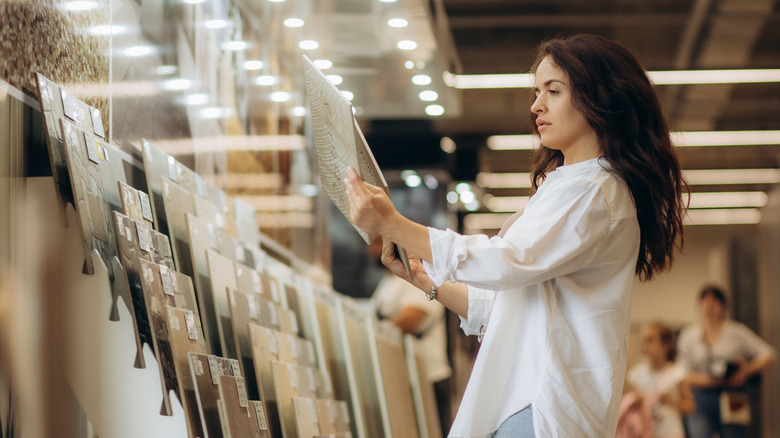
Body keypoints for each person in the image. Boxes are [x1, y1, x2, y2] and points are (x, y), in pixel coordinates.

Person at [345, 33, 687, 437]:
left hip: (542, 407)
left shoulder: (596, 190)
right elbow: (510, 303)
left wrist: (397, 225)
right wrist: (426, 281)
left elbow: (507, 262)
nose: (536, 105)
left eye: (554, 91)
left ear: (601, 100)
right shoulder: (570, 185)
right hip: (523, 401)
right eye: (537, 91)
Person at [367, 234, 453, 436]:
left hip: (427, 378)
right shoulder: (387, 284)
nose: (370, 250)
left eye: (377, 244)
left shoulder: (417, 279)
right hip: (404, 378)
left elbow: (411, 318)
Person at [676, 285, 776, 438]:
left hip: (732, 394)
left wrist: (746, 369)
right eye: (705, 301)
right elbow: (682, 372)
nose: (709, 306)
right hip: (701, 396)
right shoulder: (689, 335)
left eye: (714, 301)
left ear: (723, 306)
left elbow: (769, 354)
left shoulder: (736, 332)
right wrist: (711, 381)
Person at [617, 322, 695, 438]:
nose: (644, 345)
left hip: (670, 432)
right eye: (643, 340)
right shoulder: (636, 374)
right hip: (642, 432)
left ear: (666, 344)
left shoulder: (677, 373)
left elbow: (690, 406)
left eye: (650, 340)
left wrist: (673, 402)